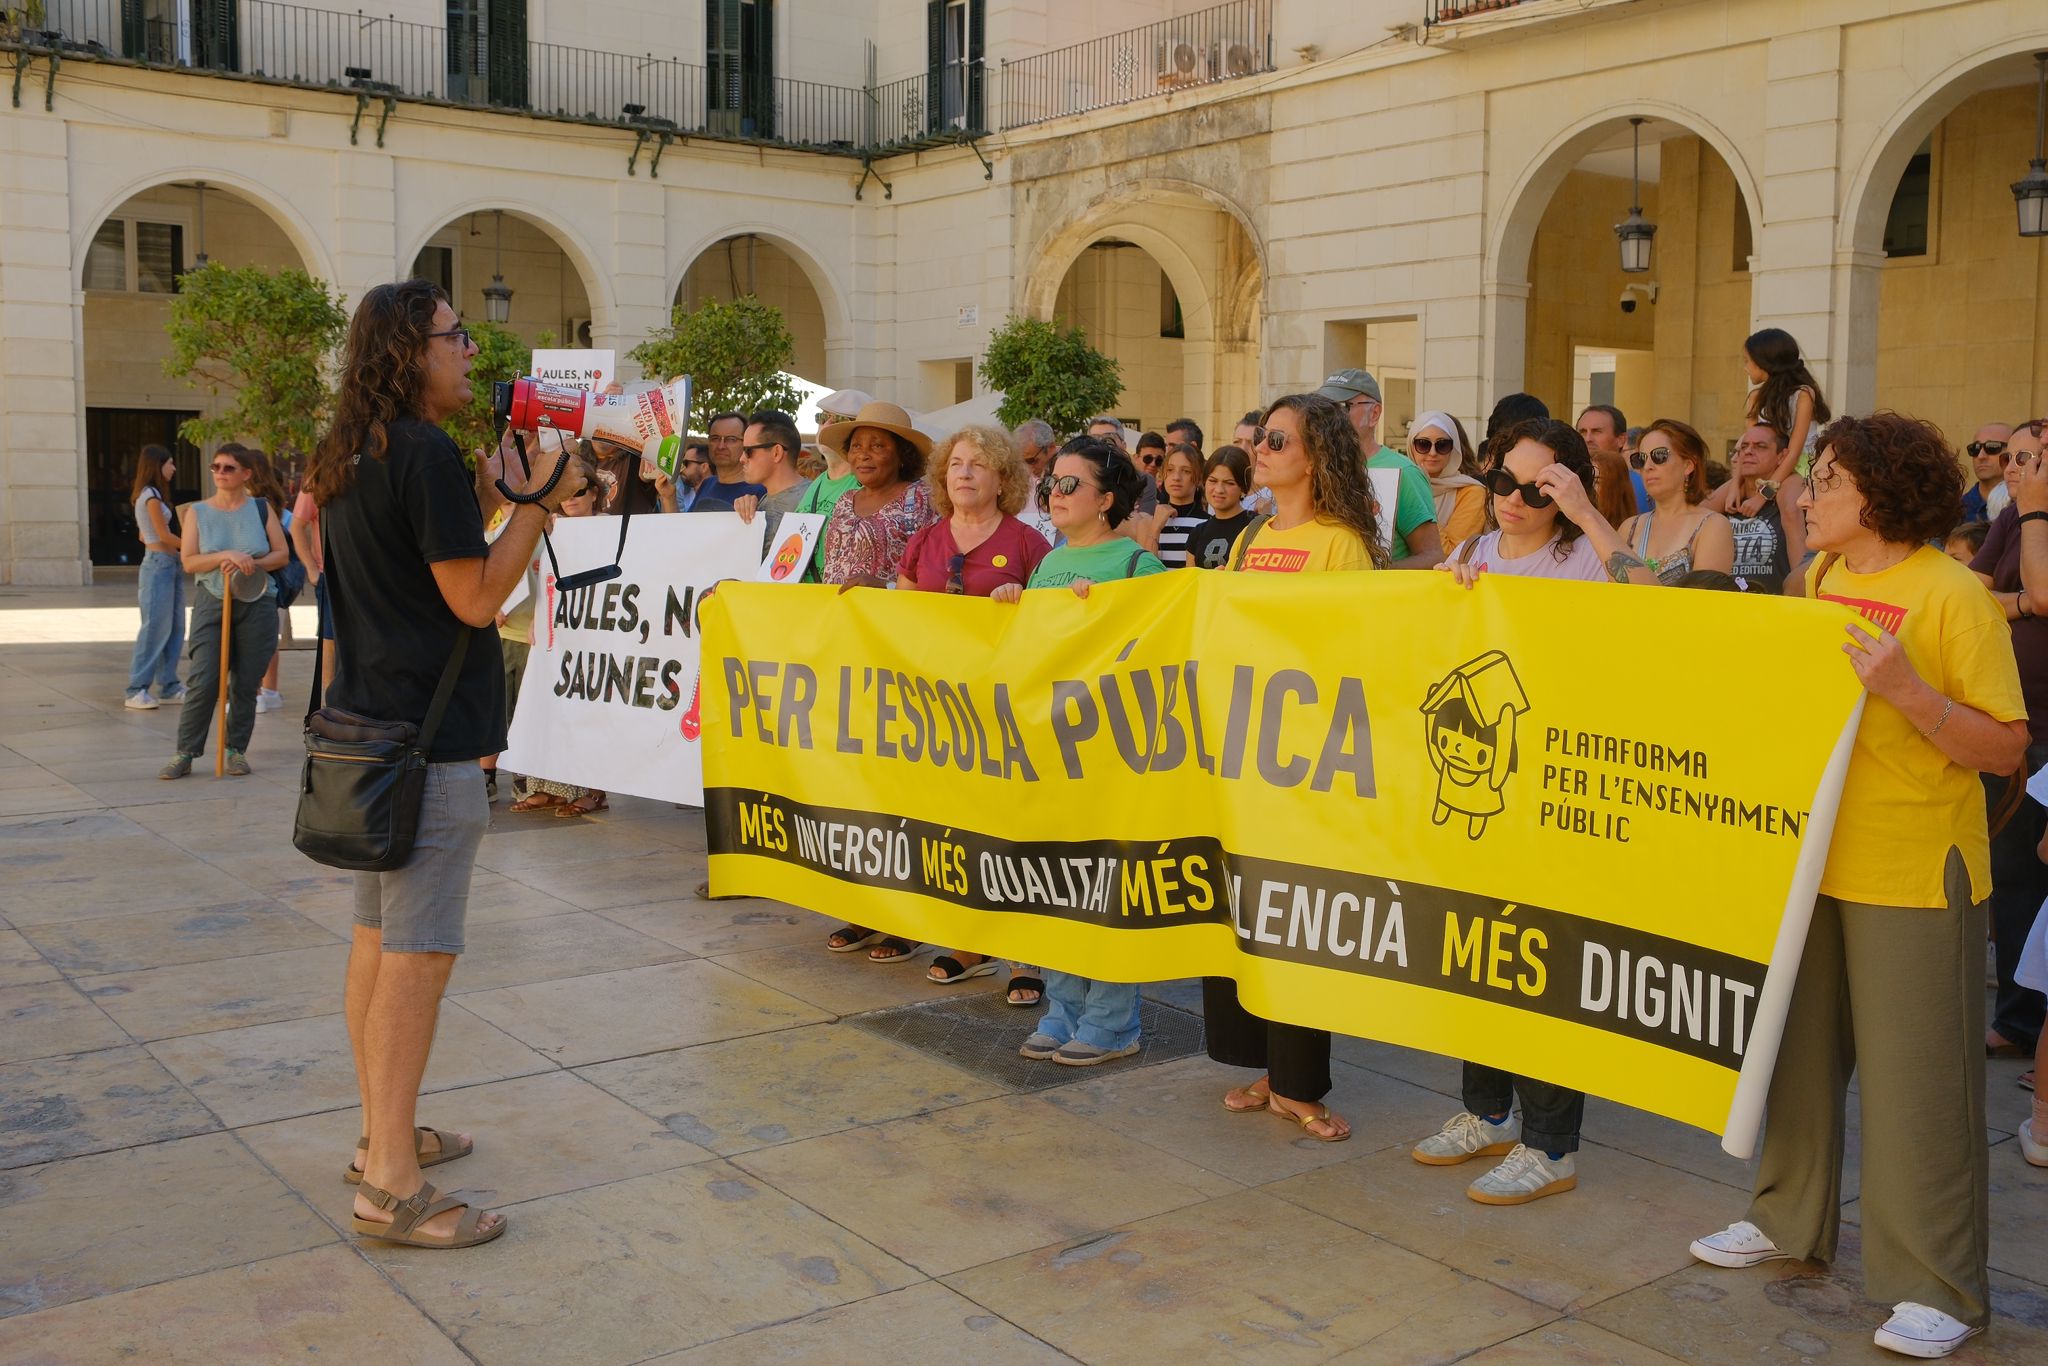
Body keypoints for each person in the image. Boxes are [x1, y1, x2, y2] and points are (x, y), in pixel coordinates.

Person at [1689, 413, 2026, 1360]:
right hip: (1813, 864)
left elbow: (2004, 744)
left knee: (1920, 1084)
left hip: (1914, 869)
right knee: (1795, 1060)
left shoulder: (1952, 594)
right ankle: (1787, 1218)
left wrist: (1913, 695)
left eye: (1825, 480)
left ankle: (1937, 1288)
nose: (1806, 492)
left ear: (1877, 494)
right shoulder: (1828, 576)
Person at [309, 280, 586, 1251]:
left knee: (378, 944)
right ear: (408, 349)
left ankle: (382, 1131)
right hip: (425, 746)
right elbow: (473, 599)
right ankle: (391, 1181)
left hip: (371, 731)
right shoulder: (419, 448)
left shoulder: (354, 446)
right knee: (417, 958)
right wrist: (538, 508)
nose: (470, 348)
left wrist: (490, 496)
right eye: (454, 334)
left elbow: (407, 560)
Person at [1415, 418, 1622, 1202]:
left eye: (1539, 487)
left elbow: (1658, 605)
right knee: (1478, 952)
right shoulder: (1471, 553)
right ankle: (1487, 1112)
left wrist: (1590, 511)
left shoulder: (1586, 557)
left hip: (1559, 796)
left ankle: (1552, 1144)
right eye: (1502, 481)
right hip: (1484, 800)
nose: (1513, 500)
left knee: (1544, 966)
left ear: (1565, 489)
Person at [1204, 394, 1386, 1142]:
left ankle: (1301, 1082)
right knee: (1250, 915)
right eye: (1259, 438)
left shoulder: (1341, 541)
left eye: (1278, 439)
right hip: (1247, 749)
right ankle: (1271, 1068)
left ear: (1315, 457)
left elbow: (1355, 641)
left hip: (1310, 757)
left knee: (1299, 919)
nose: (1262, 449)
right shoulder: (1251, 534)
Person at [992, 436, 1164, 1064]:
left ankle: (1115, 1021)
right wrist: (1012, 605)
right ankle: (1063, 1009)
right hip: (1050, 754)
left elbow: (1159, 652)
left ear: (1107, 498)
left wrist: (1107, 622)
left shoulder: (1136, 565)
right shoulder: (1047, 565)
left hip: (1110, 758)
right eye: (1051, 484)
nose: (1054, 495)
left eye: (1069, 484)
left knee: (1106, 888)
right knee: (1056, 887)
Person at [898, 425, 1051, 1005]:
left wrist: (1020, 608)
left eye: (978, 465)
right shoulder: (925, 541)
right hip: (941, 711)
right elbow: (902, 624)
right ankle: (969, 942)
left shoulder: (1029, 543)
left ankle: (1025, 954)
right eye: (956, 463)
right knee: (955, 823)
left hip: (1006, 709)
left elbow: (1052, 624)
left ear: (1003, 479)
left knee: (1011, 826)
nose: (964, 473)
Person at [816, 400, 939, 959]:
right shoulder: (842, 502)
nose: (864, 454)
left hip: (900, 654)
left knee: (900, 788)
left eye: (878, 445)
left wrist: (883, 591)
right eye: (857, 445)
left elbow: (931, 575)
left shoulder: (923, 500)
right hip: (846, 658)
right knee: (853, 787)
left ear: (902, 453)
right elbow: (829, 575)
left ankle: (906, 915)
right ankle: (863, 906)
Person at [1971, 417, 2048, 1066]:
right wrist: (2021, 604)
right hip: (2018, 728)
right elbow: (1974, 592)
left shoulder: (2031, 516)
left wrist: (2035, 517)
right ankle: (2021, 1020)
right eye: (2014, 457)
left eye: (2031, 458)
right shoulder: (2013, 518)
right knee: (2017, 877)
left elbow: (2043, 588)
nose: (2017, 469)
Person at [158, 443, 288, 780]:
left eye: (229, 468)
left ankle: (236, 750)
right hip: (212, 599)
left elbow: (282, 555)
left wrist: (251, 562)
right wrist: (225, 554)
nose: (220, 473)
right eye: (216, 467)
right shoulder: (198, 512)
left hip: (257, 599)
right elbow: (189, 561)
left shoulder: (261, 508)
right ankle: (185, 752)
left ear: (246, 474)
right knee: (204, 678)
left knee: (246, 682)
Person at [1316, 369, 1440, 567]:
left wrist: (1375, 577)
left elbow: (1432, 556)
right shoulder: (1314, 465)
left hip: (1377, 595)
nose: (1329, 416)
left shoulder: (1404, 472)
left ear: (1374, 414)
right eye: (1323, 407)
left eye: (1342, 406)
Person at [1618, 419, 1735, 584]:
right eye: (1641, 459)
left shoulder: (1712, 526)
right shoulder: (1629, 528)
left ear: (1688, 465)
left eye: (1659, 455)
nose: (1648, 466)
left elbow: (1705, 601)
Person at [124, 444, 186, 711]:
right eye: (170, 463)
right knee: (154, 629)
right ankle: (136, 688)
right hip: (158, 566)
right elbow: (162, 535)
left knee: (174, 627)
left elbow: (143, 534)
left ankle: (169, 684)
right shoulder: (149, 496)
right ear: (157, 465)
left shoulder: (152, 495)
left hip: (168, 564)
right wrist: (195, 546)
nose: (173, 468)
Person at [1714, 423, 1805, 594]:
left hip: (1774, 608)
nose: (1748, 451)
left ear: (1781, 456)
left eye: (1760, 446)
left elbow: (1793, 514)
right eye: (1744, 447)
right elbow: (1694, 516)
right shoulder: (1729, 493)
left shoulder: (1790, 488)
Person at [242, 446, 297, 714]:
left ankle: (260, 691)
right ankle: (269, 690)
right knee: (268, 636)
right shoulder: (274, 500)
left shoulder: (253, 502)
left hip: (261, 578)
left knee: (258, 636)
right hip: (274, 579)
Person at [1744, 327, 1832, 484]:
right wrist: (1736, 485)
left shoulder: (1802, 395)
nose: (1745, 368)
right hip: (1767, 464)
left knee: (1789, 502)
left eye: (1747, 361)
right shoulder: (1755, 398)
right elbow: (1748, 445)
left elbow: (1794, 451)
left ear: (1763, 363)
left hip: (1798, 466)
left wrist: (1767, 490)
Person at [731, 410, 813, 544]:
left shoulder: (812, 499)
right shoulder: (760, 501)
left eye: (748, 451)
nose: (742, 459)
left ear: (776, 453)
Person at [1409, 410, 1484, 548]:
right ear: (1411, 446)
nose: (1432, 453)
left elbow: (1453, 552)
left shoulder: (1471, 492)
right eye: (1423, 444)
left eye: (1442, 445)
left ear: (1454, 448)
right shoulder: (1401, 484)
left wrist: (1421, 495)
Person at [290, 479, 336, 694]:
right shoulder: (318, 479)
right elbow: (297, 525)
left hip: (365, 573)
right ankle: (330, 702)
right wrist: (311, 568)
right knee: (330, 638)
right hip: (329, 574)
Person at [1185, 448, 1257, 570]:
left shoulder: (1256, 527)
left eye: (1229, 483)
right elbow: (1191, 581)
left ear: (1243, 487)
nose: (1219, 490)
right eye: (1213, 481)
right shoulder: (1197, 533)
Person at [1578, 404, 1649, 514]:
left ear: (1621, 439)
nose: (1588, 439)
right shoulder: (1569, 480)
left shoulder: (1643, 485)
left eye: (1596, 431)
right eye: (1582, 432)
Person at [1151, 440, 1207, 568]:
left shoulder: (1206, 523)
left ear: (1199, 478)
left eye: (1186, 471)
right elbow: (1144, 570)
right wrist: (1155, 529)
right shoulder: (1151, 521)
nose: (1176, 477)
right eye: (1170, 470)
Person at [697, 411, 767, 506]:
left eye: (731, 439)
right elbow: (686, 521)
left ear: (746, 443)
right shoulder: (707, 484)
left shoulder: (759, 492)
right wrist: (669, 498)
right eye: (715, 438)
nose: (721, 446)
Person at [1013, 417, 1057, 544]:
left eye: (1031, 461)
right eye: (1021, 462)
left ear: (1051, 447)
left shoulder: (1072, 467)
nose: (1027, 469)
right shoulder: (1016, 476)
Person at [1960, 424, 2012, 523]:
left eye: (1992, 447)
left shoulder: (2029, 506)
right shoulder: (1956, 511)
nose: (1980, 456)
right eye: (1975, 448)